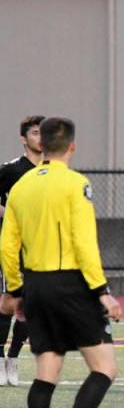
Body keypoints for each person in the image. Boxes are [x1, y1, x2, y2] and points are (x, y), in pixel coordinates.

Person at [0, 117, 122, 408]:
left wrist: (15, 289)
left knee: (47, 370)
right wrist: (102, 292)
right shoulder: (76, 184)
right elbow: (85, 243)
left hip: (35, 286)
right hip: (70, 285)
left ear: (44, 145)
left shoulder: (21, 186)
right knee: (105, 367)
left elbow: (8, 243)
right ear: (71, 145)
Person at [0, 115, 44, 387]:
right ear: (24, 138)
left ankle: (13, 359)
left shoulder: (52, 171)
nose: (42, 137)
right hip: (13, 245)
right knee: (8, 302)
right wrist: (8, 212)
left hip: (41, 247)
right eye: (36, 132)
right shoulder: (11, 170)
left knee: (31, 306)